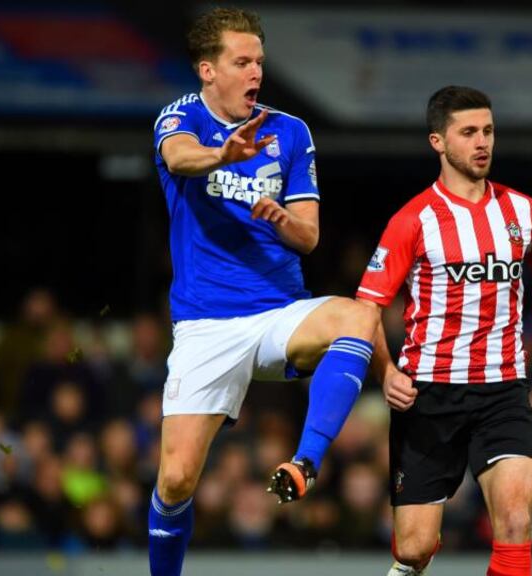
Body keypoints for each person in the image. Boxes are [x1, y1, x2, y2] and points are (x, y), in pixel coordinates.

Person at [355, 85, 532, 576]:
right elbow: (366, 307)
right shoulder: (412, 220)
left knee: (516, 520)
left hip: (502, 391)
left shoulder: (522, 211)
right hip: (428, 396)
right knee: (416, 549)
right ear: (438, 142)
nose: (482, 142)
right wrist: (385, 370)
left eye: (487, 131)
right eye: (468, 132)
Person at [150, 8, 379, 575]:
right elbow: (179, 157)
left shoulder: (290, 131)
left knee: (360, 316)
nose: (256, 72)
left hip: (280, 313)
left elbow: (308, 237)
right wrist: (222, 156)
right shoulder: (182, 117)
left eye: (259, 61)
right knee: (176, 481)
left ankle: (306, 460)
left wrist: (280, 219)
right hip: (206, 323)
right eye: (242, 61)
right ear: (209, 70)